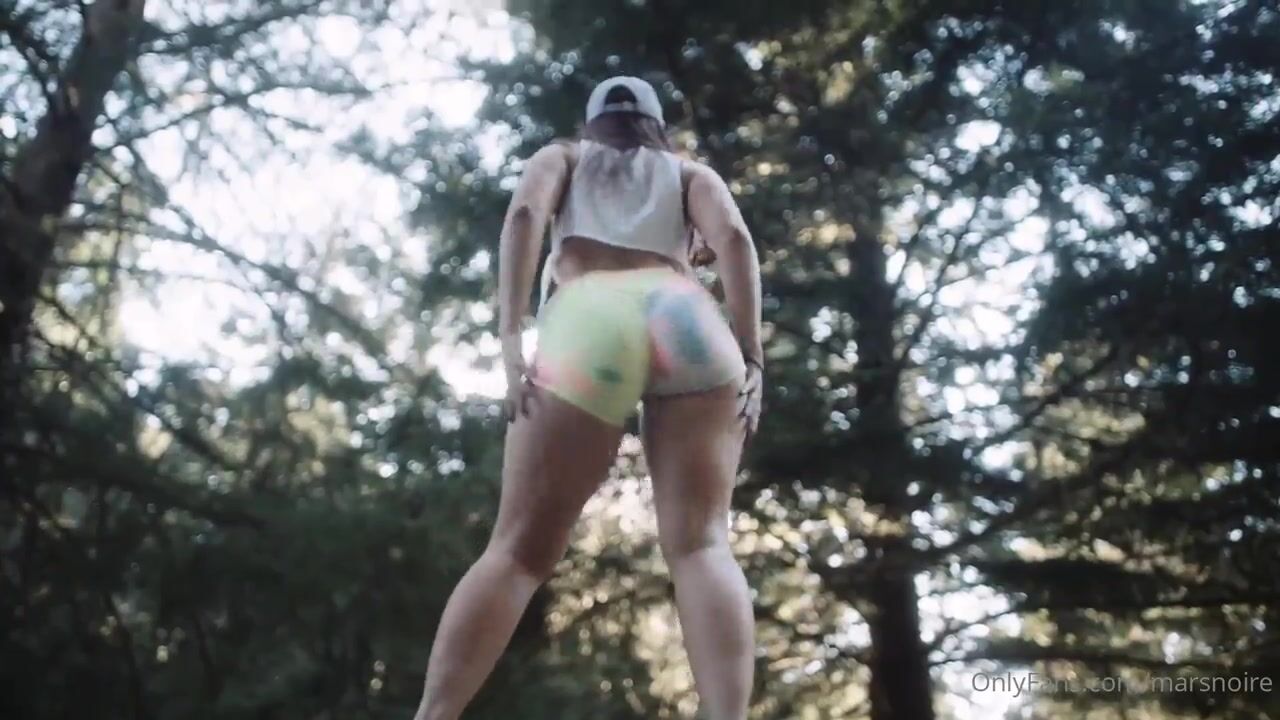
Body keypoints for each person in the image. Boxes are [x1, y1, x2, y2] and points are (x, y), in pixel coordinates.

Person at [414, 75, 764, 720]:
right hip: (687, 317)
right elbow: (736, 241)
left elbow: (525, 215)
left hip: (590, 314)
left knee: (517, 552)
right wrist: (752, 355)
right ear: (657, 127)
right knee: (702, 545)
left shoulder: (564, 157)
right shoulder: (689, 174)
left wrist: (511, 331)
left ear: (593, 120)